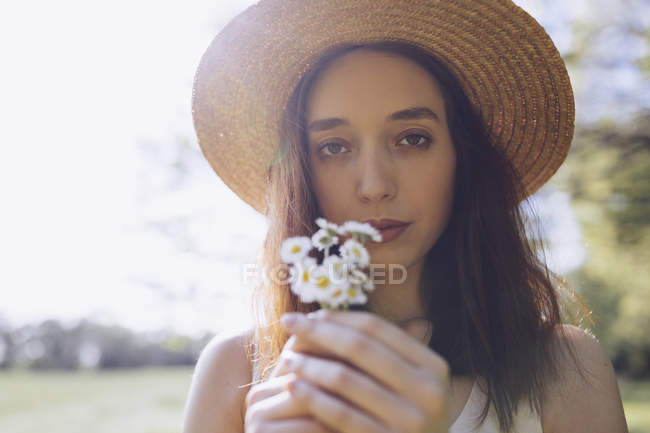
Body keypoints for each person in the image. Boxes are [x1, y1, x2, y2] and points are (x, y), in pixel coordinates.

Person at [182, 1, 629, 432]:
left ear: (462, 158)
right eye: (333, 147)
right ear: (301, 172)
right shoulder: (235, 371)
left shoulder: (565, 370)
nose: (374, 184)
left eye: (412, 139)